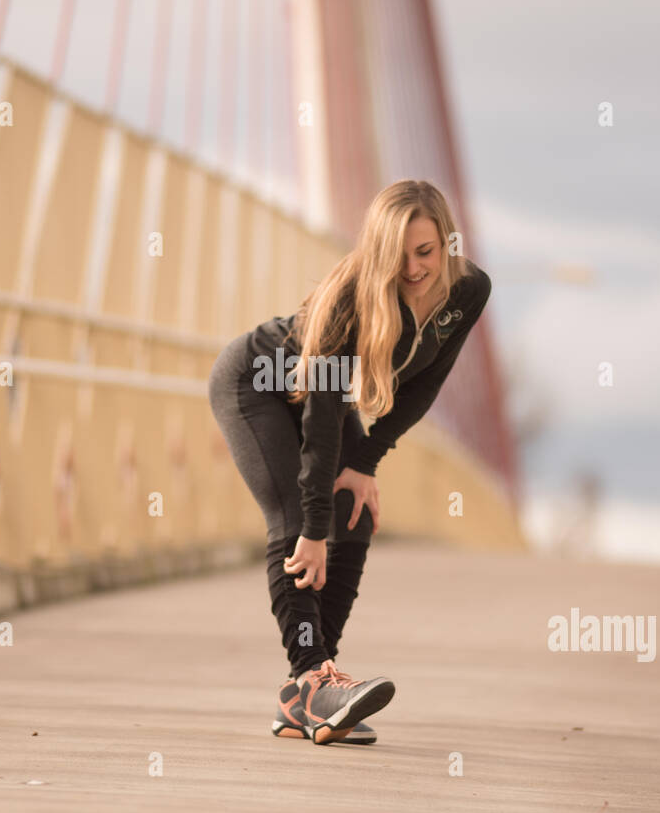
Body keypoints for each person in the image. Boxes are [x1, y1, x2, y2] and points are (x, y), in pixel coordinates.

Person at [208, 179, 492, 746]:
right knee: (297, 521)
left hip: (323, 399)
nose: (413, 268)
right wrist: (314, 532)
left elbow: (424, 387)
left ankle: (313, 694)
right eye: (398, 255)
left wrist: (365, 463)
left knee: (354, 513)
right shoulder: (349, 299)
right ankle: (313, 679)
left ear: (447, 245)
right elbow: (320, 415)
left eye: (426, 252)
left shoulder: (467, 290)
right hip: (257, 385)